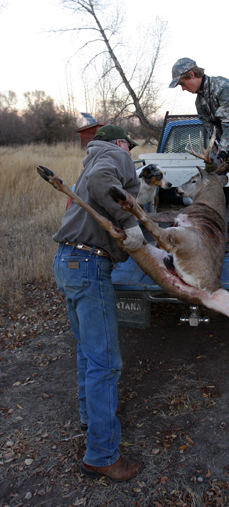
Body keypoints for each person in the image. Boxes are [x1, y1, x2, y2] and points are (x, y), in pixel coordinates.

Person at [52, 125, 145, 482]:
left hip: (67, 262)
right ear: (120, 143)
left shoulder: (90, 161)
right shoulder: (115, 156)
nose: (130, 153)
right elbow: (103, 185)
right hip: (88, 265)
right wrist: (127, 221)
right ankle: (102, 455)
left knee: (87, 351)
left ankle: (92, 420)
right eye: (129, 147)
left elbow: (94, 187)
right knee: (105, 362)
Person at [169, 58, 229, 242]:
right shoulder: (200, 102)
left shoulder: (224, 88)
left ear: (192, 75)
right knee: (212, 171)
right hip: (227, 135)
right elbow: (213, 132)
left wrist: (223, 154)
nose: (183, 88)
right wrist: (216, 158)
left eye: (182, 83)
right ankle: (209, 211)